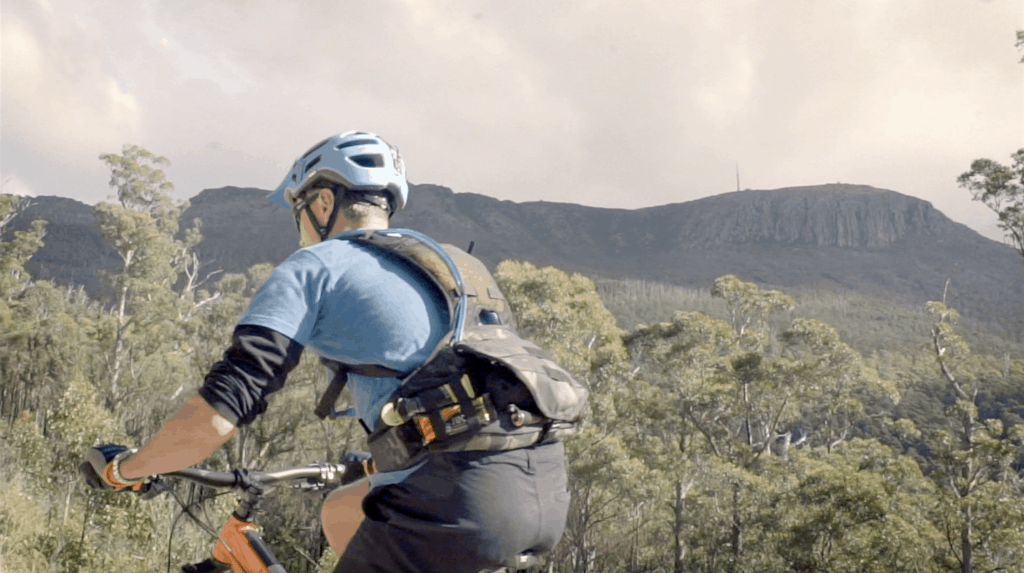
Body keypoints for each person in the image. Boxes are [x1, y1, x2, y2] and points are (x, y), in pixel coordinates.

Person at [82, 131, 570, 573]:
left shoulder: (316, 265)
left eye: (298, 211)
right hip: (541, 489)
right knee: (342, 508)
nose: (299, 228)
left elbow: (219, 414)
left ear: (321, 202)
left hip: (453, 504)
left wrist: (124, 470)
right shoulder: (460, 267)